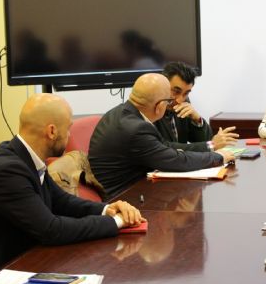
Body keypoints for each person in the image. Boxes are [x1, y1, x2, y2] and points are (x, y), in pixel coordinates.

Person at [0, 94, 144, 284]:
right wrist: (115, 222)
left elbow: (62, 202)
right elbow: (51, 230)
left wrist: (107, 209)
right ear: (52, 131)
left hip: (18, 265)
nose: (70, 136)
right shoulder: (7, 171)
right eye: (68, 129)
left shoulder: (23, 157)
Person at [89, 73, 235, 198]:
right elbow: (176, 160)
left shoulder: (122, 113)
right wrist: (219, 157)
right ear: (159, 106)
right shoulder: (136, 129)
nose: (176, 102)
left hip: (134, 189)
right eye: (169, 101)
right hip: (125, 198)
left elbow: (165, 148)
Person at [154, 61, 238, 152]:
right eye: (176, 91)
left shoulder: (184, 103)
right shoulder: (150, 105)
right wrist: (211, 145)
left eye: (186, 93)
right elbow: (161, 147)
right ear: (162, 85)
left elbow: (206, 141)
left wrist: (197, 120)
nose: (179, 100)